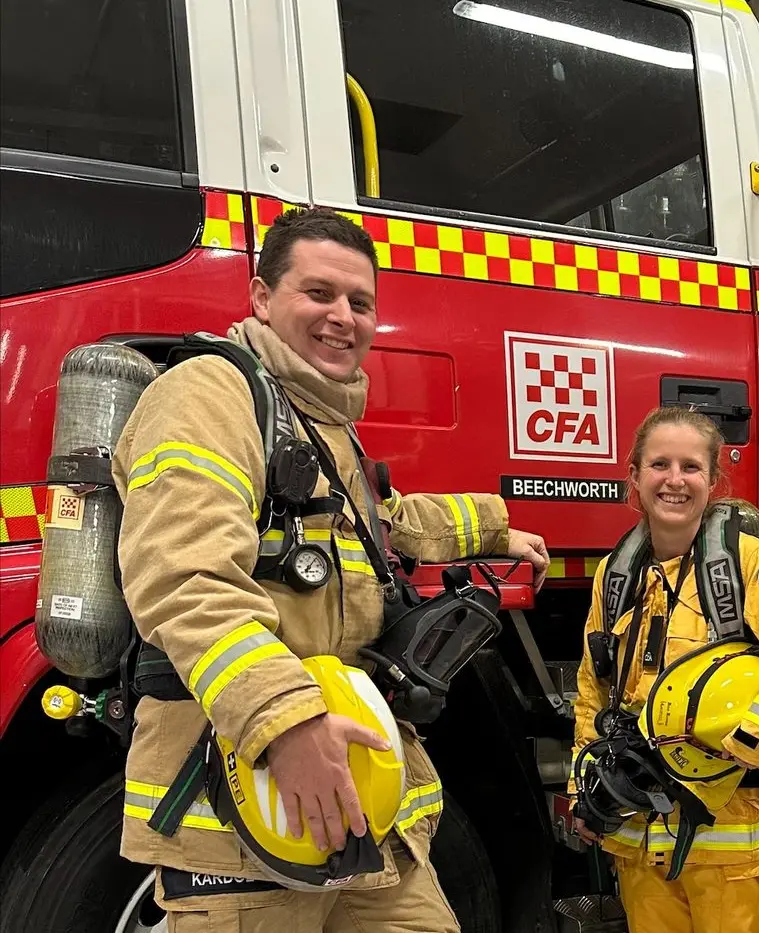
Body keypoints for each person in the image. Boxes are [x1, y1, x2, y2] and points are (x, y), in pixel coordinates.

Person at [112, 206, 551, 931]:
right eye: (318, 293)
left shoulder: (320, 422)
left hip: (361, 807)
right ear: (260, 297)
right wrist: (284, 721)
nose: (343, 316)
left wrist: (495, 524)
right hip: (244, 812)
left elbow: (384, 521)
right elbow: (183, 579)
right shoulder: (208, 396)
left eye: (360, 301)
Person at [569, 406, 759, 933]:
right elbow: (593, 688)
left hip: (726, 825)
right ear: (634, 476)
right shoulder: (616, 576)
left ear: (713, 481)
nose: (675, 480)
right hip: (639, 827)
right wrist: (583, 785)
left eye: (691, 467)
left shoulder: (747, 562)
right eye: (660, 464)